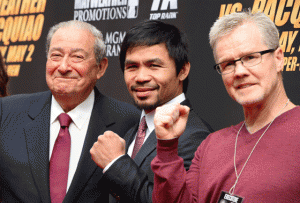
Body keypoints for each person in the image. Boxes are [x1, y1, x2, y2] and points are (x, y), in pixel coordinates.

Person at [150, 10, 300, 203]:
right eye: (228, 64)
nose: (239, 72)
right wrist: (167, 147)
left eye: (251, 57)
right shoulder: (211, 145)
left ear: (279, 59)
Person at [0, 20, 140, 203]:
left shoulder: (128, 121)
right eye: (56, 56)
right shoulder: (7, 113)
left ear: (101, 67)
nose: (64, 67)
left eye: (77, 57)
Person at [90, 20, 213, 203]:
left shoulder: (196, 136)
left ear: (183, 70)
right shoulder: (134, 131)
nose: (140, 78)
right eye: (132, 67)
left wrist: (116, 163)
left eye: (154, 66)